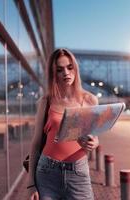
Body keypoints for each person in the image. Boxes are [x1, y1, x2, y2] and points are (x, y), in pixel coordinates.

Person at [27, 48, 99, 200]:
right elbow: (36, 143)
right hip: (47, 173)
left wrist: (94, 143)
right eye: (60, 70)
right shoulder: (45, 102)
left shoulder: (90, 100)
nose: (66, 73)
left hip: (78, 173)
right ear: (54, 74)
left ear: (75, 69)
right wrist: (31, 184)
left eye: (69, 67)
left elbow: (94, 136)